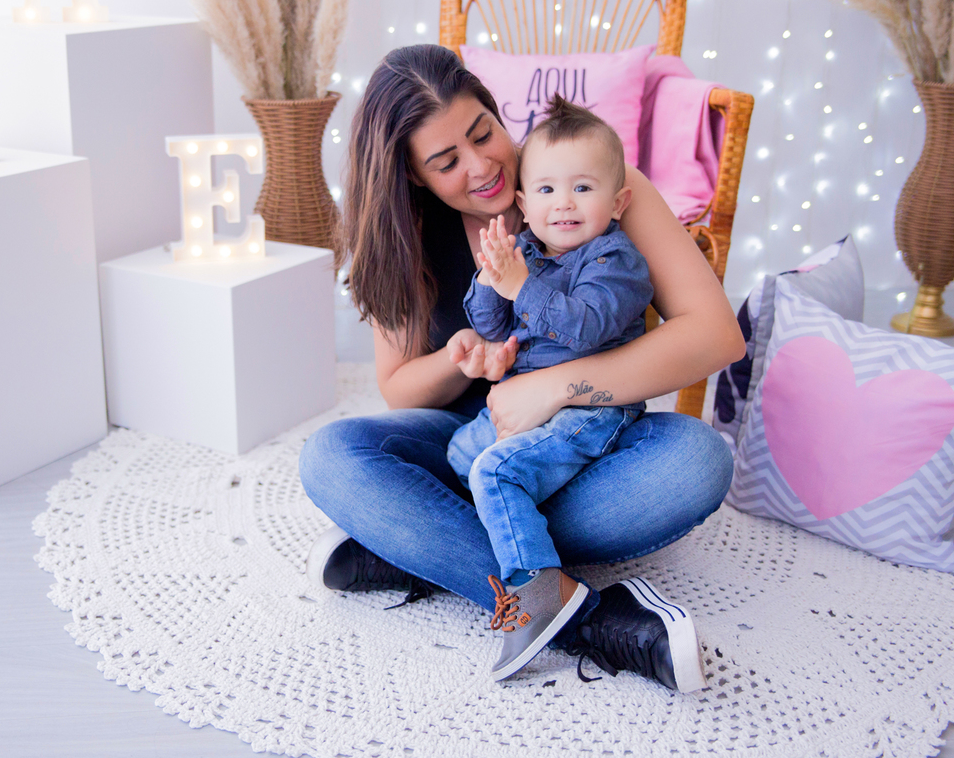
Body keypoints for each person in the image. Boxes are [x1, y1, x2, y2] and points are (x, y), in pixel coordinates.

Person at [299, 44, 744, 694]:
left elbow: (715, 336)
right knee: (330, 456)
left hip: (582, 446)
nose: (481, 166)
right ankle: (588, 620)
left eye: (484, 132)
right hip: (467, 446)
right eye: (447, 162)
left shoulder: (592, 185)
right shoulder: (403, 235)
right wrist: (458, 361)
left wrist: (552, 387)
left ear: (494, 110)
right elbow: (400, 389)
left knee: (698, 460)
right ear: (415, 177)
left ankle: (422, 547)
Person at [445, 95, 653, 681]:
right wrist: (491, 281)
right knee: (461, 452)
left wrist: (519, 287)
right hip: (525, 402)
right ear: (523, 204)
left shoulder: (616, 258)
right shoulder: (528, 253)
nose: (563, 202)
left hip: (589, 408)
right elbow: (494, 326)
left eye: (583, 189)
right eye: (546, 191)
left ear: (618, 202)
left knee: (493, 472)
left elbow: (587, 326)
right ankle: (520, 526)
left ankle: (539, 596)